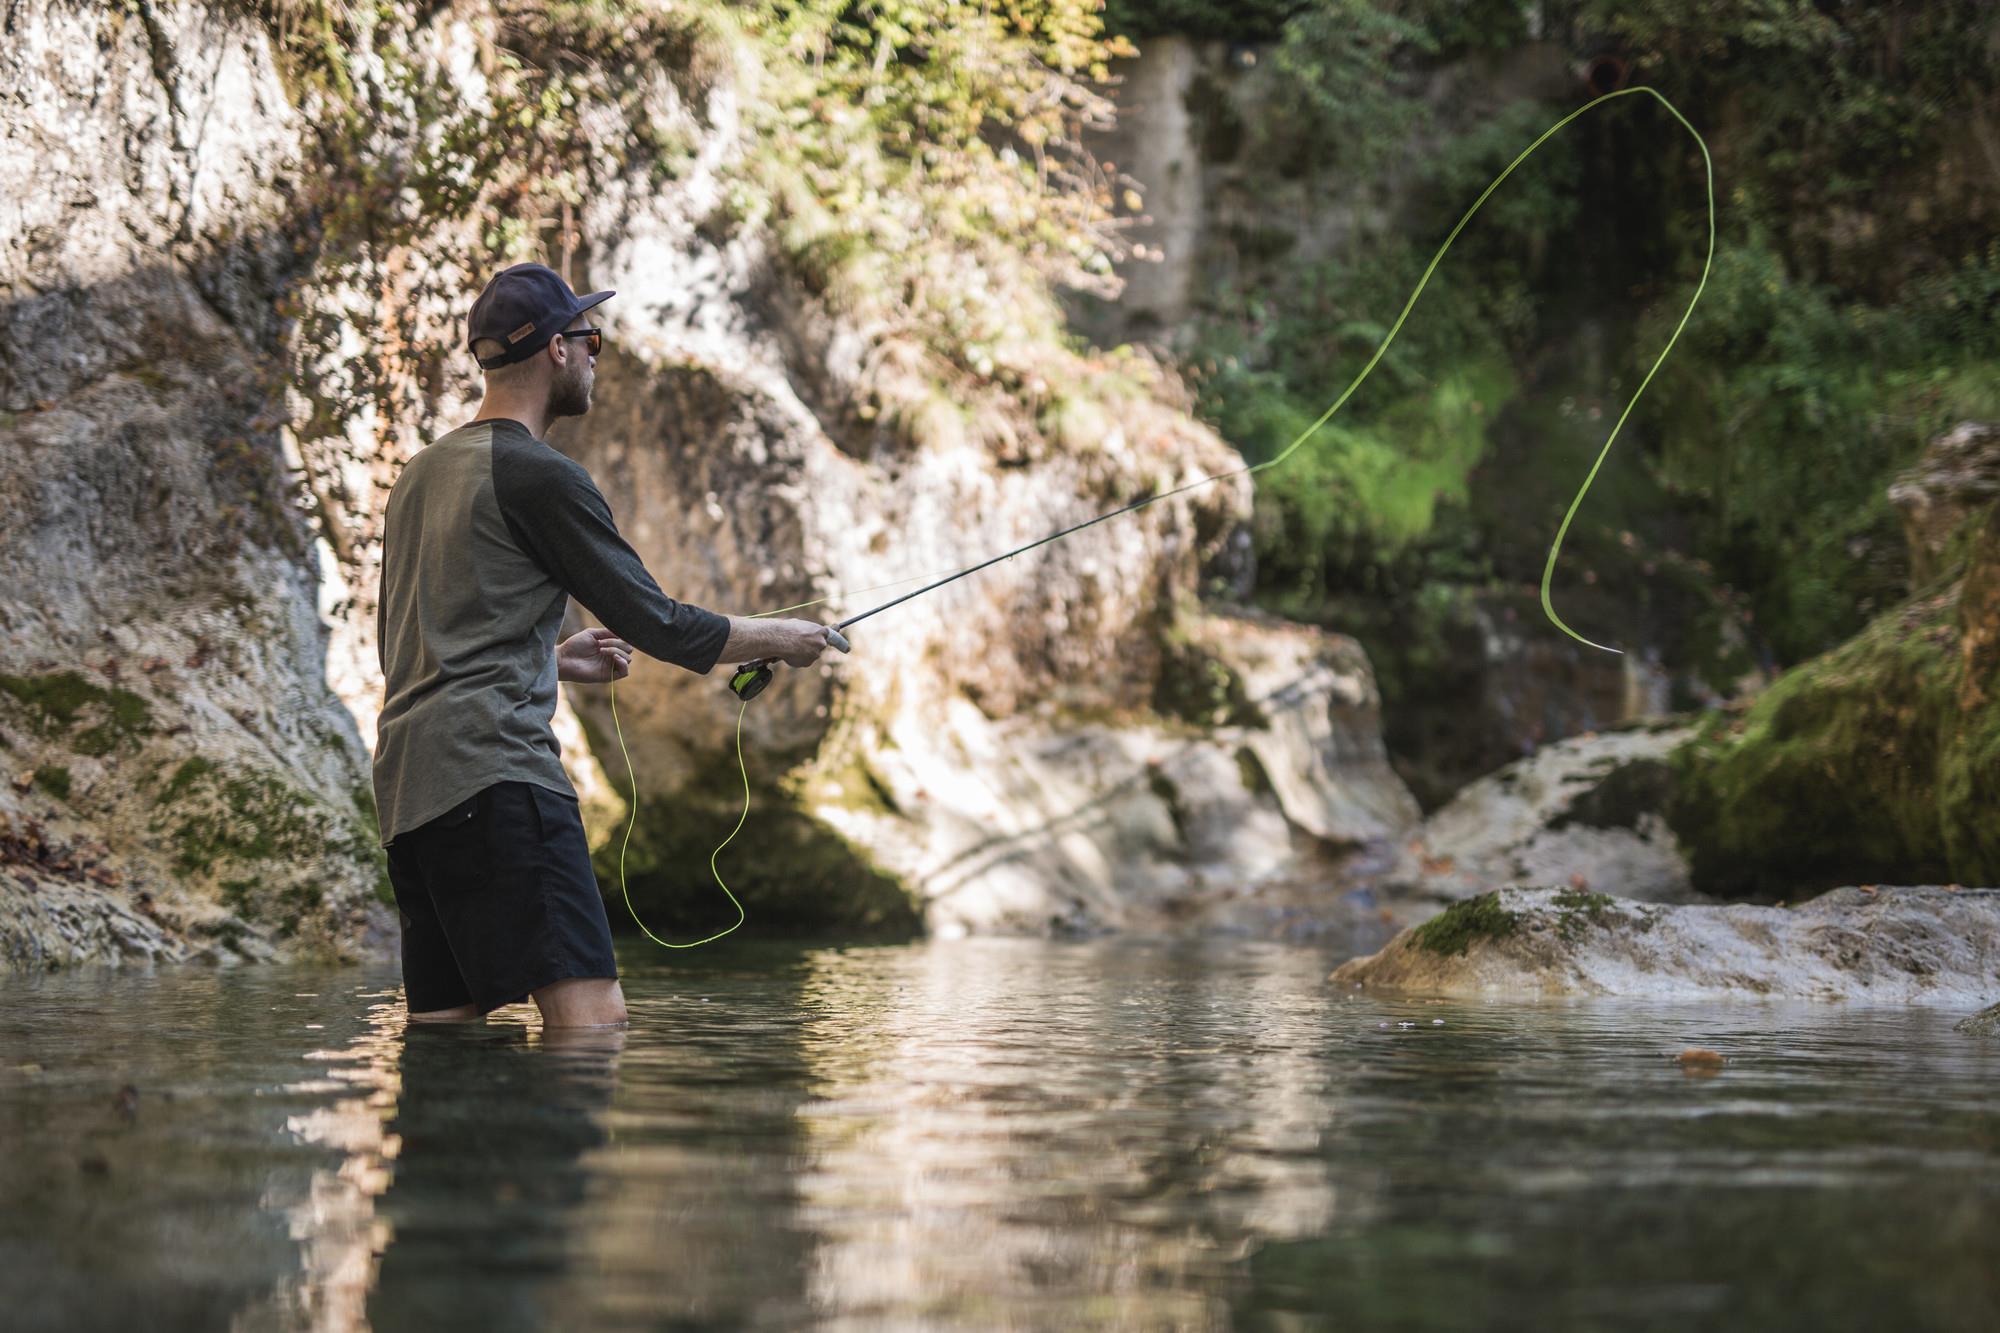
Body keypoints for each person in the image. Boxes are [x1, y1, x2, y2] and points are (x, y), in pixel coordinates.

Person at [373, 263, 834, 1029]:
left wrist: (550, 661)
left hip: (408, 798)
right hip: (497, 779)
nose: (595, 357)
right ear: (556, 348)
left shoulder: (417, 477)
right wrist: (783, 637)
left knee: (445, 1037)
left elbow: (413, 652)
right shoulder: (538, 475)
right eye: (590, 341)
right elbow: (660, 624)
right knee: (592, 1028)